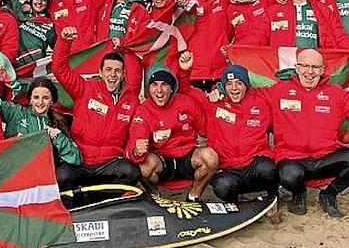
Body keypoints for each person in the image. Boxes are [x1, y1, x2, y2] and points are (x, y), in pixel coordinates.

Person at [265, 49, 349, 218]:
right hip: (292, 159)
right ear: (296, 67)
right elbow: (247, 99)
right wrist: (220, 91)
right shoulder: (278, 90)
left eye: (315, 67)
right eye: (305, 66)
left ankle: (329, 194)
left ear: (322, 69)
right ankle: (299, 193)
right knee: (288, 175)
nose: (310, 72)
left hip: (326, 158)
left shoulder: (335, 93)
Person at [52, 27, 142, 190]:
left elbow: (136, 133)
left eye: (117, 71)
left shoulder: (132, 101)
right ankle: (79, 203)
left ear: (123, 74)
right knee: (61, 176)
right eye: (108, 70)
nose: (112, 75)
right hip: (80, 161)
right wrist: (65, 41)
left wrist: (135, 150)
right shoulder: (85, 88)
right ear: (100, 72)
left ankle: (101, 200)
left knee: (131, 173)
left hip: (109, 163)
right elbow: (60, 69)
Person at [126, 54, 219, 202]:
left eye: (164, 84)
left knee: (211, 157)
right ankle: (155, 197)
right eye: (154, 85)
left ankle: (193, 196)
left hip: (187, 157)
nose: (159, 90)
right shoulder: (143, 111)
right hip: (162, 161)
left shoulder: (187, 103)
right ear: (148, 88)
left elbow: (208, 131)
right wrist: (137, 151)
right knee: (143, 167)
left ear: (172, 88)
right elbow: (134, 143)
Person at [185, 64, 276, 203]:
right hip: (227, 167)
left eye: (239, 83)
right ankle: (235, 204)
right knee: (223, 187)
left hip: (253, 163)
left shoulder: (261, 103)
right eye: (229, 84)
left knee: (268, 169)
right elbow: (184, 88)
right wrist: (185, 70)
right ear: (223, 86)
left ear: (247, 85)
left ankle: (273, 197)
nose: (234, 88)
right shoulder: (212, 103)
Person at [0, 77, 83, 183]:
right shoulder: (16, 113)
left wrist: (59, 137)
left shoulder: (58, 122)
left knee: (65, 175)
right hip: (14, 175)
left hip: (42, 180)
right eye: (36, 97)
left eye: (46, 98)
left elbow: (76, 158)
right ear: (30, 99)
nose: (40, 102)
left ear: (52, 101)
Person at [4, 0, 56, 73]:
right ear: (31, 0)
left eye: (43, 0)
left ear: (47, 3)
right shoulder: (21, 14)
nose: (39, 2)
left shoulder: (51, 25)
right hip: (14, 67)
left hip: (35, 70)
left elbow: (58, 49)